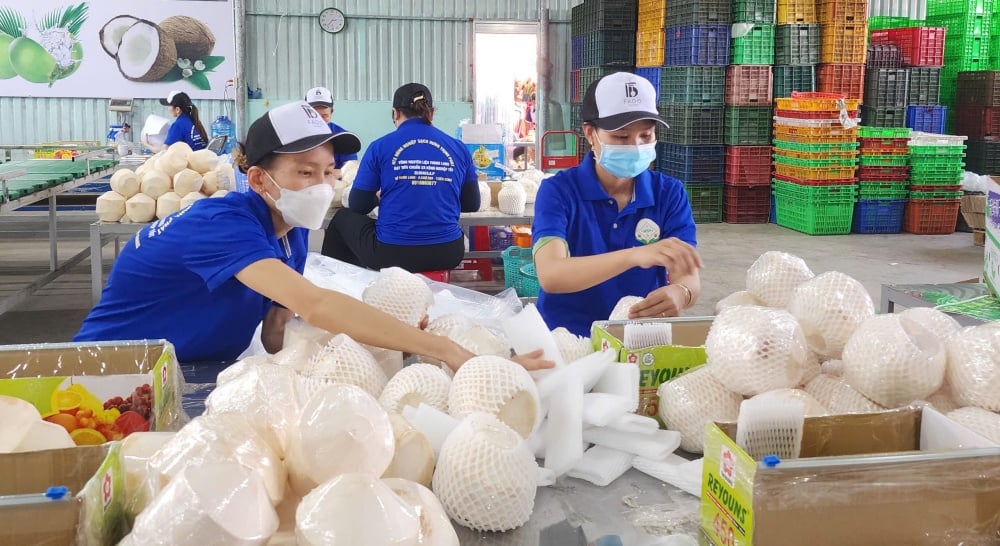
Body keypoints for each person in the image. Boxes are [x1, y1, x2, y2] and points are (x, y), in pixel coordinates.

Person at [76, 101, 551, 372]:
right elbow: (319, 304)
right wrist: (452, 353)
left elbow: (278, 330)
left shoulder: (291, 232)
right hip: (107, 371)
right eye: (305, 172)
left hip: (188, 368)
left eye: (329, 171)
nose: (323, 186)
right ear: (259, 179)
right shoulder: (223, 225)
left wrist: (390, 340)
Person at [531, 72, 703, 337]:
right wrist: (634, 255)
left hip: (638, 337)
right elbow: (551, 275)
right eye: (622, 137)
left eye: (645, 136)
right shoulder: (559, 191)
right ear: (591, 134)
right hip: (567, 338)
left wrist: (680, 293)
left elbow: (688, 275)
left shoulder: (668, 193)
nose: (635, 146)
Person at [321, 83, 480, 273]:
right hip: (448, 251)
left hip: (392, 254)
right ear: (431, 113)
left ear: (395, 114)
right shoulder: (458, 148)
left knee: (342, 219)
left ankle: (336, 284)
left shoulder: (379, 147)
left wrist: (379, 198)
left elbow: (358, 205)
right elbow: (472, 203)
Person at [305, 86, 358, 178]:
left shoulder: (343, 137)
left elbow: (351, 170)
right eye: (314, 116)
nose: (319, 121)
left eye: (324, 116)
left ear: (331, 113)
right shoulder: (293, 136)